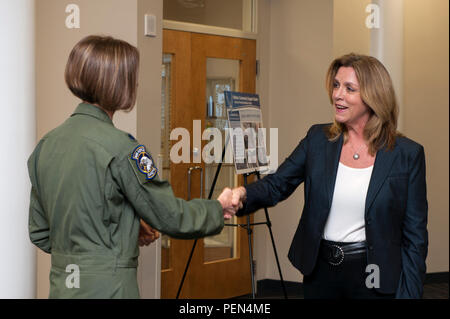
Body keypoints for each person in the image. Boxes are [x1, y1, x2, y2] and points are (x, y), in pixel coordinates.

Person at [28, 35, 236, 299]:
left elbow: (41, 232)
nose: (136, 83)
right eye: (132, 76)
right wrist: (218, 208)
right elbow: (170, 216)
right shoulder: (123, 149)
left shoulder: (45, 146)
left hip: (61, 287)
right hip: (111, 289)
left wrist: (122, 231)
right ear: (119, 83)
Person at [230, 53, 428, 299]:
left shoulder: (407, 154)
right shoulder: (318, 140)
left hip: (374, 274)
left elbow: (415, 237)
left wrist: (410, 293)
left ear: (374, 96)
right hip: (321, 272)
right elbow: (277, 184)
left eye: (349, 88)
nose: (337, 94)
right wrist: (243, 194)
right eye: (336, 85)